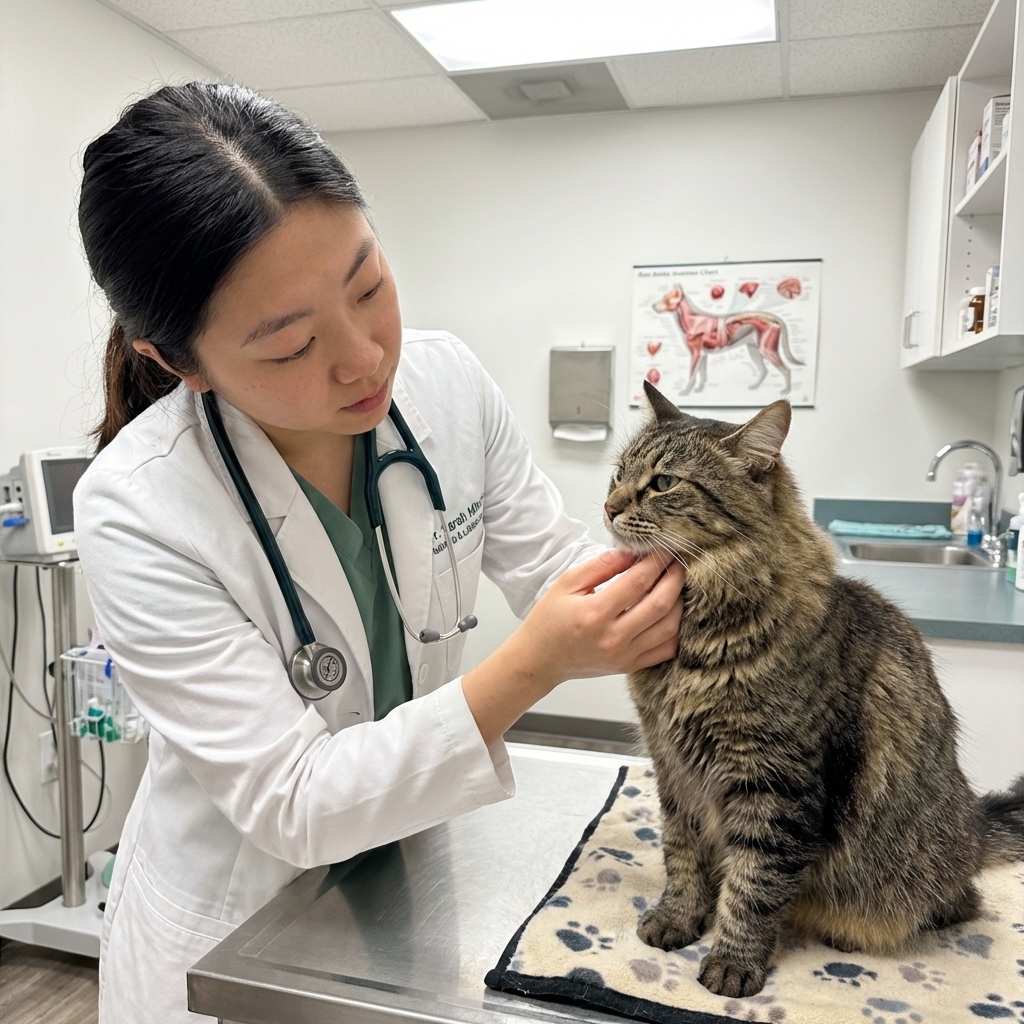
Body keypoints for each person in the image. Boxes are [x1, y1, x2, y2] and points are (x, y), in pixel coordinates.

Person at [73, 82, 685, 1024]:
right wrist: (539, 663)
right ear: (177, 360)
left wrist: (727, 578)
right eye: (290, 347)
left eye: (369, 286)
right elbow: (296, 802)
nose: (364, 358)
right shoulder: (136, 510)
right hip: (235, 928)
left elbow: (554, 563)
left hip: (404, 874)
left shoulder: (446, 384)